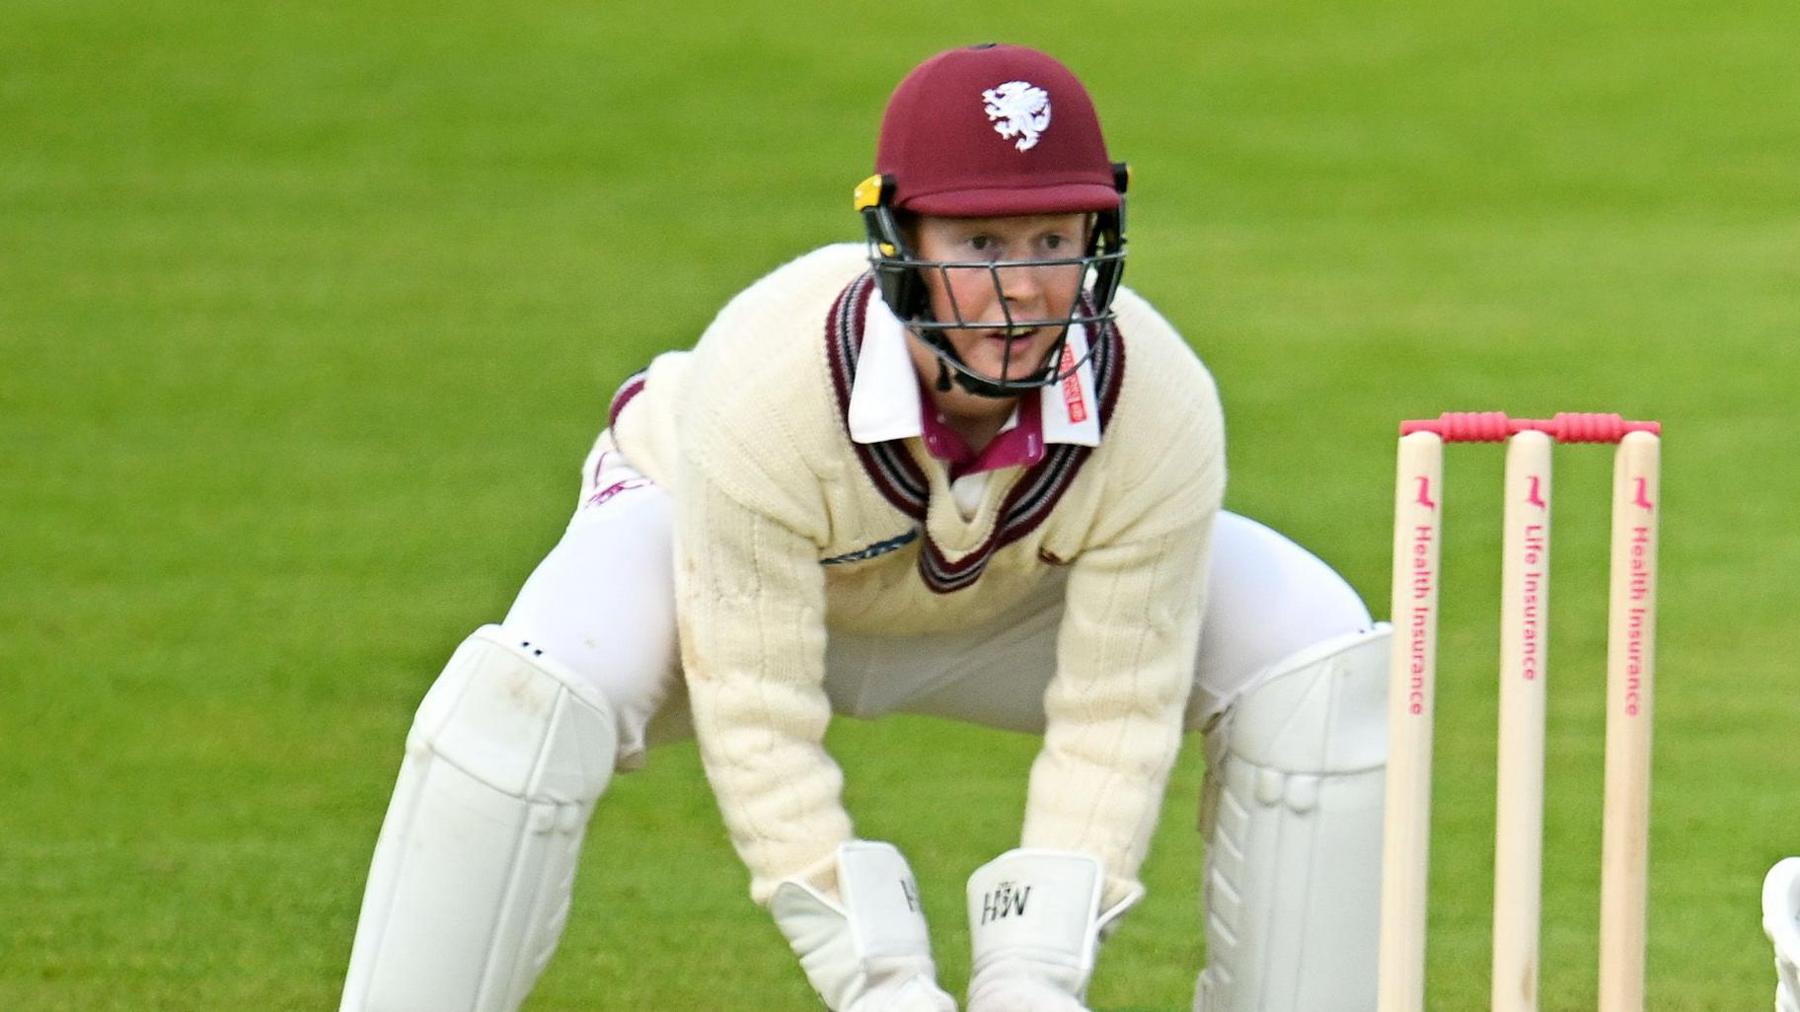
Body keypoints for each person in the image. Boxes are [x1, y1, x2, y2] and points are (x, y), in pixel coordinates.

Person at [339, 43, 1391, 1012]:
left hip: (1001, 602)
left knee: (1321, 656)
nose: (1021, 287)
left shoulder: (1159, 404)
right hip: (700, 566)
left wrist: (1035, 975)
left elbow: (1118, 711)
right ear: (897, 244)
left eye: (1051, 240)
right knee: (523, 699)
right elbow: (754, 707)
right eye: (980, 241)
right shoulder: (766, 384)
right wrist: (875, 975)